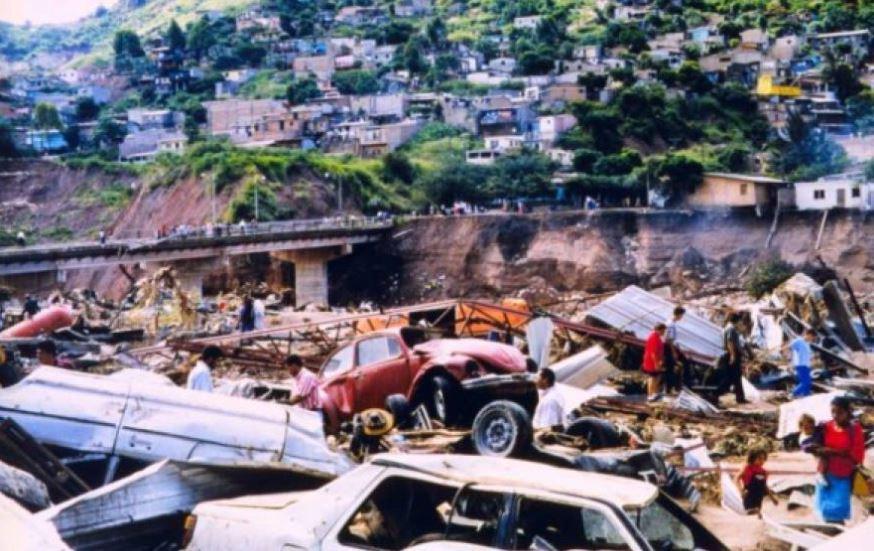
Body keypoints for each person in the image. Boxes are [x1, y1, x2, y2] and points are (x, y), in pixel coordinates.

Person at [811, 396, 865, 524]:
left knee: (838, 507)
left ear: (848, 412)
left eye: (839, 412)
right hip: (825, 473)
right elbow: (816, 444)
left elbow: (857, 455)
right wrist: (816, 449)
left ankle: (837, 533)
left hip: (843, 474)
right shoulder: (826, 426)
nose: (835, 415)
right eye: (833, 411)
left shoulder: (854, 429)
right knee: (824, 506)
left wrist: (833, 452)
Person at [735, 448, 779, 514]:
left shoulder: (764, 472)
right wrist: (741, 491)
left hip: (759, 497)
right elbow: (737, 478)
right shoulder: (747, 468)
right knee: (750, 512)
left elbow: (764, 486)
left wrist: (772, 498)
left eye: (763, 459)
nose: (762, 461)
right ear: (753, 458)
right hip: (749, 496)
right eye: (759, 459)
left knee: (757, 512)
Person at [716, 312, 747, 405]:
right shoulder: (731, 328)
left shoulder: (729, 327)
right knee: (730, 377)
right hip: (732, 354)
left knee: (736, 376)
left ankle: (740, 397)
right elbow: (730, 342)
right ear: (737, 320)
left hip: (732, 354)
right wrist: (733, 355)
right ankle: (716, 393)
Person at [785, 328, 816, 397]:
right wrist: (789, 360)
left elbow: (808, 354)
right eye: (812, 337)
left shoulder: (807, 344)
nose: (812, 339)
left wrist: (812, 359)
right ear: (808, 334)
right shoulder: (798, 341)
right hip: (800, 364)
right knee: (805, 382)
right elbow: (787, 348)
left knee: (808, 383)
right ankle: (793, 394)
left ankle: (806, 396)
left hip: (806, 365)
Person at [664, 306, 686, 394]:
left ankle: (671, 388)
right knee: (671, 368)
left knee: (672, 368)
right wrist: (673, 352)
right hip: (669, 348)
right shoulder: (671, 325)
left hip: (670, 347)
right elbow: (669, 339)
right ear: (679, 314)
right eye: (682, 315)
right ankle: (670, 389)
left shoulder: (670, 323)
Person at [642, 323, 666, 402]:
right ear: (659, 330)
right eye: (663, 331)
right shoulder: (654, 338)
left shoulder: (657, 337)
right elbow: (653, 353)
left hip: (655, 360)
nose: (664, 332)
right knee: (652, 377)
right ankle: (650, 395)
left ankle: (654, 393)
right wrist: (656, 364)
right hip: (651, 362)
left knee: (657, 376)